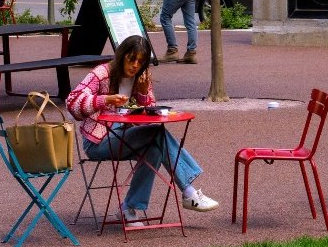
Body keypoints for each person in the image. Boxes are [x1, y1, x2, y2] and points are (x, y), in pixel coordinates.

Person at [66, 35, 219, 220]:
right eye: (132, 59)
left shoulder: (142, 77)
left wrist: (144, 93)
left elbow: (150, 117)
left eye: (141, 61)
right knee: (157, 134)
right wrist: (104, 99)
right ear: (122, 56)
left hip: (126, 137)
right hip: (99, 142)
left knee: (154, 150)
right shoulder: (101, 73)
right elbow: (72, 103)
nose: (135, 65)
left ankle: (128, 209)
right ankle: (189, 192)